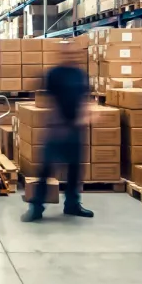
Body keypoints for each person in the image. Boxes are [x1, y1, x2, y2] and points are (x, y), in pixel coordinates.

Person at [22, 42, 94, 222]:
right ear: (61, 54)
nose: (72, 55)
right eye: (68, 52)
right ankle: (36, 207)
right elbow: (48, 101)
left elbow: (85, 99)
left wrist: (85, 116)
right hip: (56, 130)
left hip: (76, 130)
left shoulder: (81, 75)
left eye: (74, 52)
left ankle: (72, 205)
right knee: (46, 169)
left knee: (75, 170)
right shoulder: (53, 74)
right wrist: (58, 123)